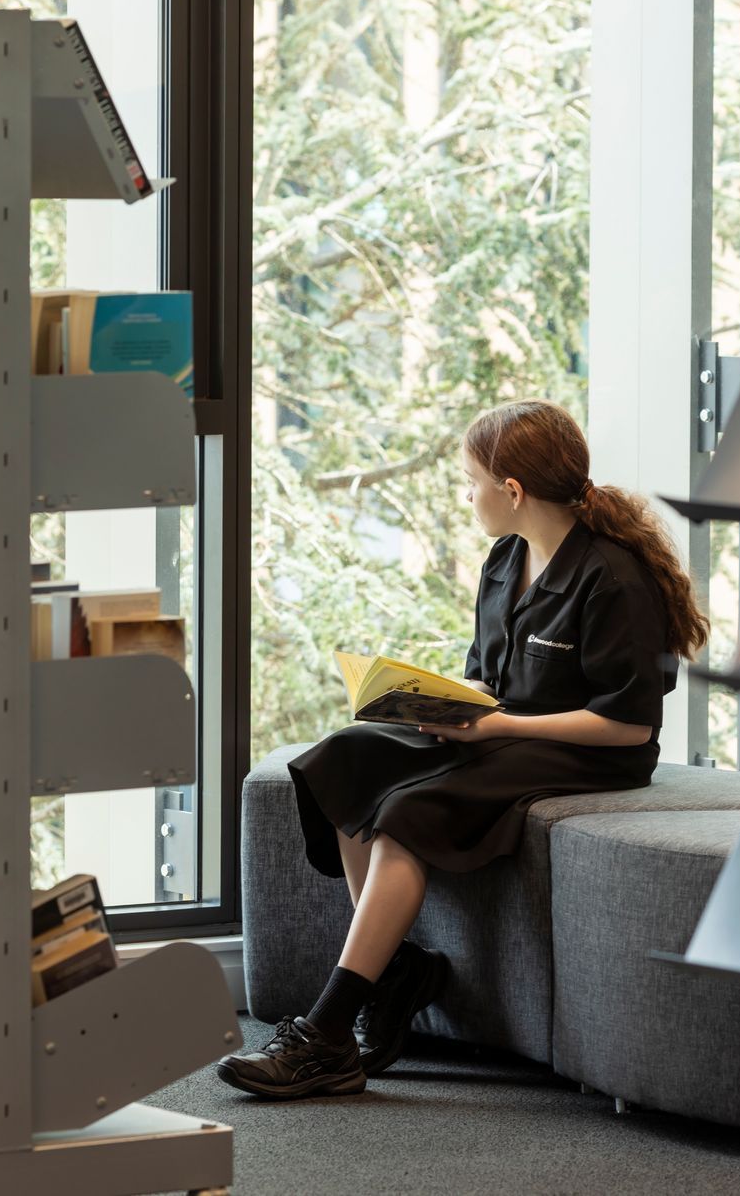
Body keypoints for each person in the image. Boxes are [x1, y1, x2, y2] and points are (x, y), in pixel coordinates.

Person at [217, 399, 709, 1100]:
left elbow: (628, 726)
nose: (467, 495)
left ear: (512, 491)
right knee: (344, 758)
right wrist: (438, 703)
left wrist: (500, 727)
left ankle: (327, 1035)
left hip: (586, 752)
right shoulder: (506, 558)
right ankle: (396, 975)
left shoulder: (612, 578)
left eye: (471, 480)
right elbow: (489, 675)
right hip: (503, 729)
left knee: (405, 812)